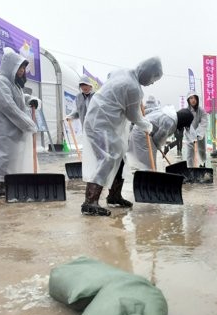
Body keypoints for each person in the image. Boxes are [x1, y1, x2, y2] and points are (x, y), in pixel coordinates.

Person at [81, 57, 163, 215]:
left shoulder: (122, 72)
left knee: (120, 158)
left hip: (101, 118)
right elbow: (134, 117)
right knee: (107, 157)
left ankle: (114, 196)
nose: (152, 83)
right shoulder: (133, 88)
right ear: (147, 73)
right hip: (101, 122)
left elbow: (110, 75)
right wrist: (150, 127)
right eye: (153, 78)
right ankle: (90, 201)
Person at [0, 48, 39, 197]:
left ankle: (10, 183)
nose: (21, 71)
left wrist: (31, 100)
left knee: (12, 156)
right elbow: (9, 107)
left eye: (23, 68)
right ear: (10, 67)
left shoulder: (14, 85)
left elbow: (19, 99)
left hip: (12, 128)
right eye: (19, 67)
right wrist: (29, 125)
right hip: (1, 128)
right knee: (3, 156)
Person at [128, 96, 179, 172]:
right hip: (142, 133)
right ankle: (148, 175)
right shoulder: (145, 108)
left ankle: (150, 174)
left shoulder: (154, 110)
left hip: (147, 132)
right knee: (146, 160)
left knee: (148, 159)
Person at [182, 93, 208, 167]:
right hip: (189, 135)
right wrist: (192, 134)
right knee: (190, 153)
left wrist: (198, 133)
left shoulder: (201, 111)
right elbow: (186, 124)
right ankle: (190, 169)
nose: (193, 100)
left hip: (200, 135)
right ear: (188, 100)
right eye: (191, 98)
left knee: (202, 151)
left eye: (194, 98)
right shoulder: (186, 111)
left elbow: (204, 122)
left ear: (197, 99)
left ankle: (203, 165)